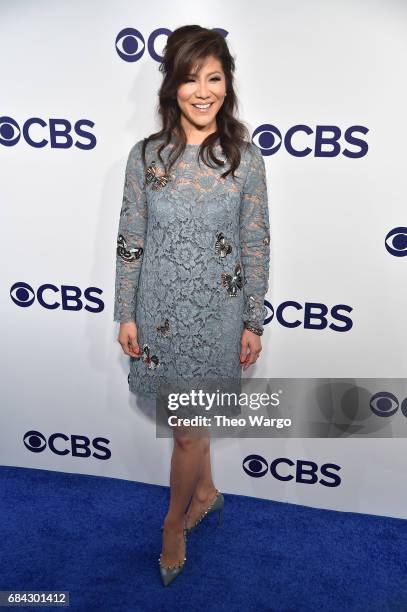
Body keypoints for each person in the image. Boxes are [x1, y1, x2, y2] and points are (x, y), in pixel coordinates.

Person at [114, 25, 270, 586]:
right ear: (172, 87)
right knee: (192, 428)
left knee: (186, 429)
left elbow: (256, 240)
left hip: (219, 315)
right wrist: (124, 310)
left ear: (226, 84)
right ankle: (204, 493)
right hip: (157, 312)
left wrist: (255, 318)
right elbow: (131, 236)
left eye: (213, 78)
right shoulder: (145, 157)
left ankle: (173, 525)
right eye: (189, 78)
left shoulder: (245, 160)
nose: (202, 91)